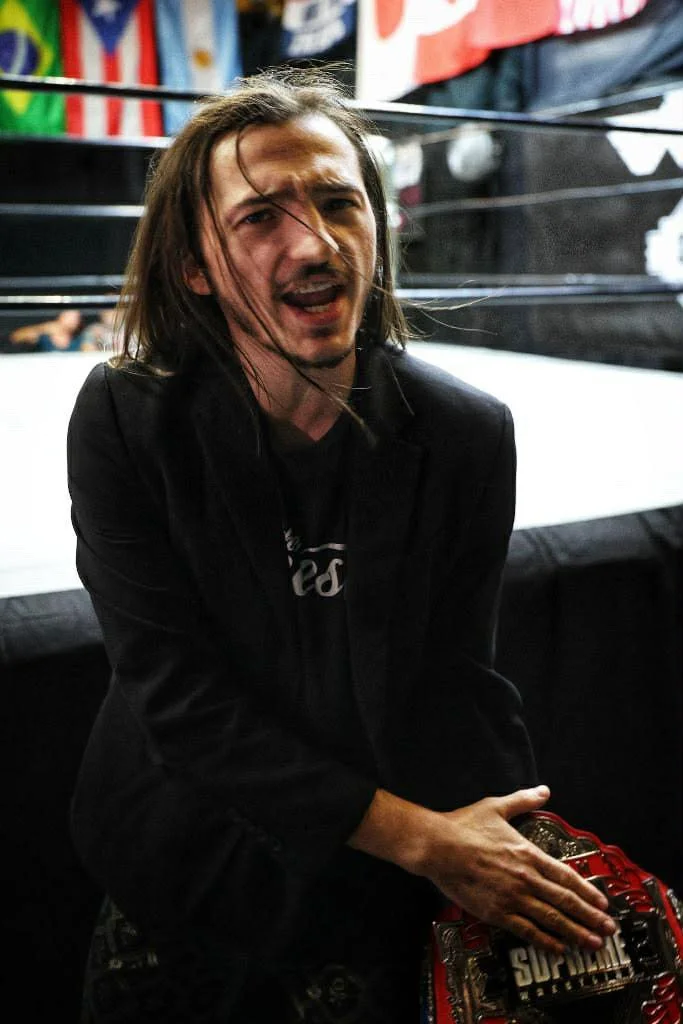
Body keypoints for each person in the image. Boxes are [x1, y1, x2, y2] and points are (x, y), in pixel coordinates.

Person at [67, 69, 615, 1023]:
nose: (314, 243)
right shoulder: (126, 417)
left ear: (376, 227)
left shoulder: (463, 431)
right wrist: (431, 844)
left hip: (360, 882)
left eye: (338, 203)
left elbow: (453, 676)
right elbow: (180, 701)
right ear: (194, 264)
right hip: (182, 859)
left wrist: (520, 849)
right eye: (260, 217)